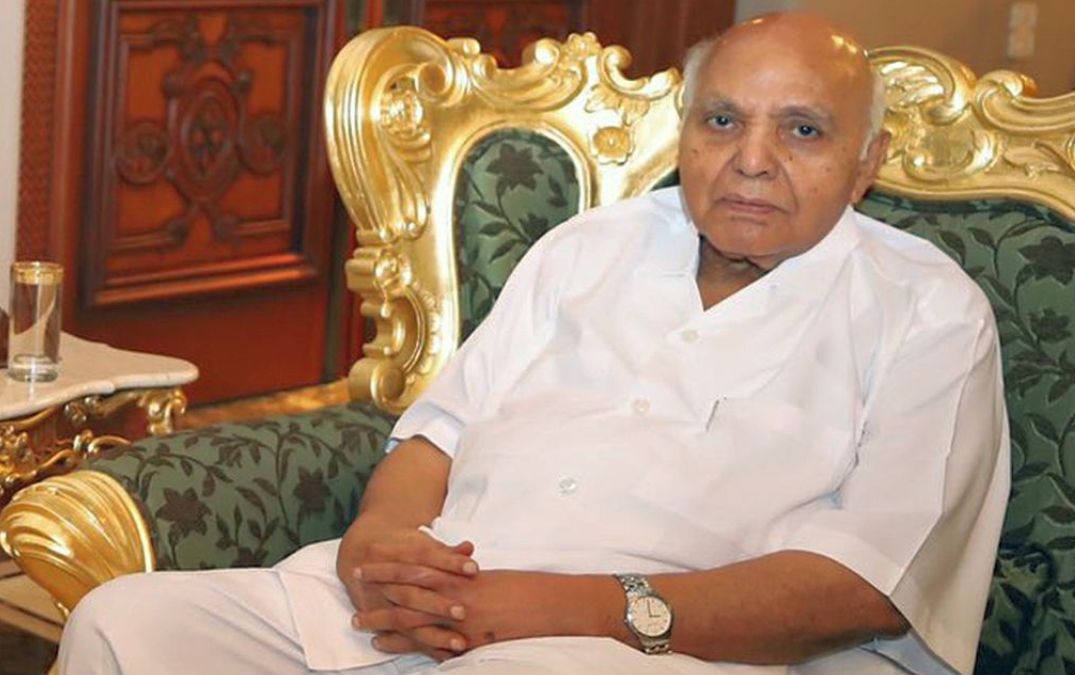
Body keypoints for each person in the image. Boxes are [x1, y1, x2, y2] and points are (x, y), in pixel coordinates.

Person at [59, 11, 1009, 675]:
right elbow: (437, 430)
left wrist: (557, 605)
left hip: (665, 646)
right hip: (416, 607)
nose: (751, 160)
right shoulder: (590, 245)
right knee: (123, 627)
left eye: (801, 130)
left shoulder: (926, 311)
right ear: (686, 132)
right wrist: (379, 543)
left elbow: (867, 584)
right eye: (722, 121)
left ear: (867, 160)